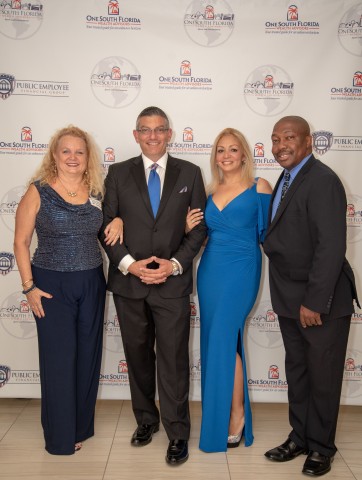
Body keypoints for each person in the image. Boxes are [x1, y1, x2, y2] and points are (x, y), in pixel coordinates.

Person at [99, 106, 207, 465]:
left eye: (160, 130)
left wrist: (173, 265)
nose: (153, 136)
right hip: (130, 284)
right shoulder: (116, 173)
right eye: (145, 130)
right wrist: (132, 265)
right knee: (138, 357)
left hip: (171, 285)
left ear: (170, 133)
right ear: (135, 135)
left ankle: (177, 433)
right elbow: (106, 227)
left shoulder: (190, 173)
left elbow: (199, 229)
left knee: (174, 361)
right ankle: (146, 420)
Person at [13, 125, 123, 455]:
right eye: (66, 151)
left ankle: (80, 427)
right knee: (59, 361)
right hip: (50, 284)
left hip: (91, 281)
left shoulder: (98, 191)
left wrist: (117, 220)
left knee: (88, 357)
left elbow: (111, 225)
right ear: (55, 156)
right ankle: (59, 439)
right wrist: (29, 287)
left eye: (79, 151)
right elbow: (20, 242)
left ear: (87, 157)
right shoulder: (39, 191)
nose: (72, 157)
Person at [263, 116, 360, 476]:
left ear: (308, 142)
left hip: (320, 301)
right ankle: (300, 436)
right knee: (299, 372)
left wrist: (314, 302)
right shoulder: (287, 179)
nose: (280, 146)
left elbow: (330, 246)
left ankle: (321, 447)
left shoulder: (322, 180)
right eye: (274, 139)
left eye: (288, 138)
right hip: (290, 296)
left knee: (323, 376)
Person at [186, 127, 272, 452]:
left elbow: (271, 235)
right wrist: (187, 228)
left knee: (223, 340)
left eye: (233, 149)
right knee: (217, 342)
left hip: (242, 269)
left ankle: (236, 417)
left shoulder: (259, 186)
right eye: (221, 150)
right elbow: (202, 238)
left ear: (244, 154)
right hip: (210, 271)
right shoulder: (209, 193)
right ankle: (227, 415)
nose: (226, 155)